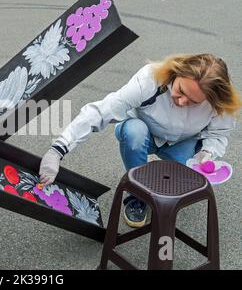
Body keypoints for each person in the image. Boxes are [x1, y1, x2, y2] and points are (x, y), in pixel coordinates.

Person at [39, 53, 241, 228]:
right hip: (143, 133)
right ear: (177, 72)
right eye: (180, 90)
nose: (181, 101)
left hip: (183, 141)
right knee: (133, 132)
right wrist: (58, 150)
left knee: (183, 177)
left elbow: (217, 134)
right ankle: (138, 195)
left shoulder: (220, 100)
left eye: (193, 102)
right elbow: (101, 111)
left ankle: (156, 172)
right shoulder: (151, 79)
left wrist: (207, 154)